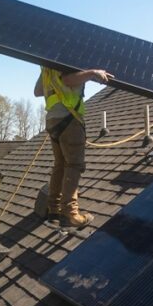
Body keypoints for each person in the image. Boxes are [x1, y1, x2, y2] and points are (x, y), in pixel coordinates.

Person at [34, 66, 111, 227]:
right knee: (74, 165)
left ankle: (53, 210)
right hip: (69, 118)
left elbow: (38, 91)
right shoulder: (67, 58)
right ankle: (70, 213)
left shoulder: (48, 67)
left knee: (60, 165)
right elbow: (68, 80)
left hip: (53, 120)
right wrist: (92, 73)